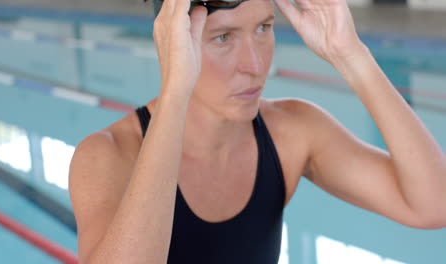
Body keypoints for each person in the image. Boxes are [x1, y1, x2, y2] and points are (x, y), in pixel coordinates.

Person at [68, 0, 446, 263]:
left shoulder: (292, 132)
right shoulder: (108, 155)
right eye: (223, 37)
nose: (254, 64)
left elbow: (433, 204)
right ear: (172, 42)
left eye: (264, 28)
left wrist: (350, 54)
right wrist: (175, 93)